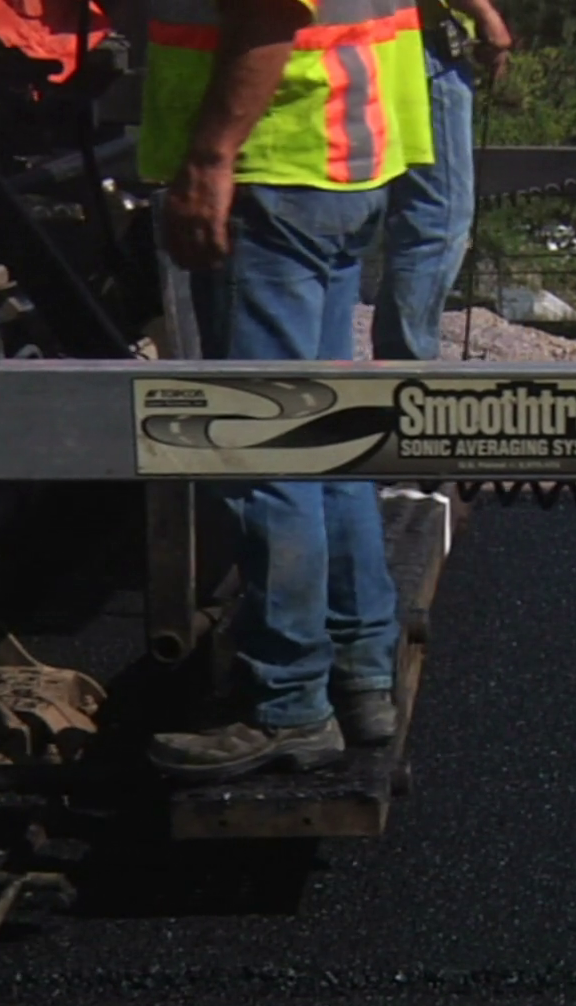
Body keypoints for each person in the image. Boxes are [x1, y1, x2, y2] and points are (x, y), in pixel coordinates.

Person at [137, 0, 435, 783]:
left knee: (265, 444)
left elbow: (268, 16)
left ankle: (288, 702)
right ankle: (362, 669)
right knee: (326, 431)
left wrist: (209, 157)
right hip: (340, 158)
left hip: (274, 165)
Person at [369, 0, 512, 360]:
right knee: (437, 216)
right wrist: (484, 15)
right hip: (422, 45)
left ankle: (386, 366)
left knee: (360, 211)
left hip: (383, 42)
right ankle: (405, 367)